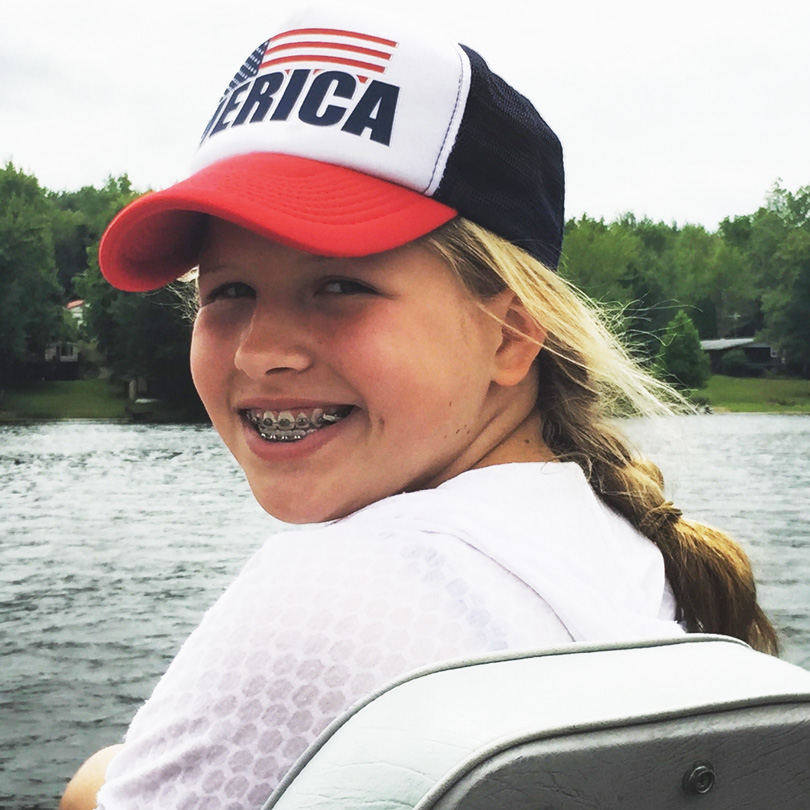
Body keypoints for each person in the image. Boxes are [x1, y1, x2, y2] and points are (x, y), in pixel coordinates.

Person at [61, 5, 777, 809]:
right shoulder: (618, 550)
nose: (261, 350)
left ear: (509, 333)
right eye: (228, 291)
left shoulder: (335, 593)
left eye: (339, 285)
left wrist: (92, 786)